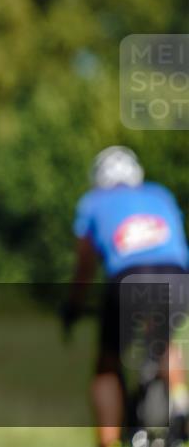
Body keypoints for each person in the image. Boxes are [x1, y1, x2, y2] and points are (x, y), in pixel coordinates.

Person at [62, 146, 189, 447]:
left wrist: (73, 305)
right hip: (177, 275)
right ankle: (181, 401)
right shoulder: (160, 194)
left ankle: (109, 441)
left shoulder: (93, 201)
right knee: (163, 342)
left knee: (107, 363)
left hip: (128, 275)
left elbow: (85, 265)